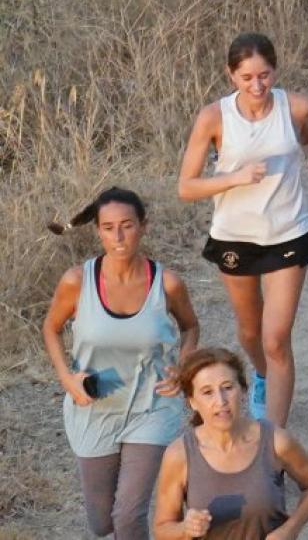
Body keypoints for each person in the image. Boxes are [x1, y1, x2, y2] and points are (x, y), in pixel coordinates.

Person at [175, 33, 308, 427]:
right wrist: (234, 178)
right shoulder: (214, 117)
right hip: (234, 236)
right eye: (247, 78)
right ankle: (262, 376)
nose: (258, 86)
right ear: (231, 75)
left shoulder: (295, 107)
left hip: (288, 231)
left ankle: (274, 443)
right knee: (250, 333)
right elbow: (186, 187)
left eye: (265, 75)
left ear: (275, 70)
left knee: (276, 338)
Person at [41, 189, 198, 540]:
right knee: (103, 523)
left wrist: (183, 366)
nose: (118, 236)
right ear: (98, 231)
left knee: (128, 515)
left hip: (152, 406)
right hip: (94, 409)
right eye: (109, 227)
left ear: (144, 226)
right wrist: (66, 378)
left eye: (127, 225)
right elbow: (50, 328)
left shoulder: (167, 283)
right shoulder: (77, 282)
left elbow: (191, 326)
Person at [150, 347, 308, 539]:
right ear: (192, 401)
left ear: (243, 390)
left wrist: (290, 529)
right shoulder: (180, 455)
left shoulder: (276, 442)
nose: (221, 400)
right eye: (207, 392)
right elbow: (162, 530)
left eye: (227, 387)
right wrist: (185, 528)